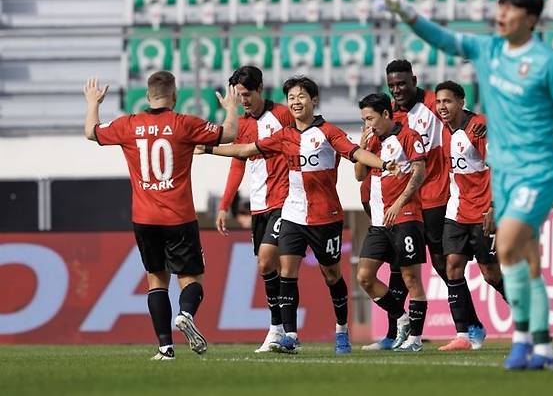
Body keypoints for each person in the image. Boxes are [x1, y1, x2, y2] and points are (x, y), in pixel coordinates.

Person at [375, 0, 553, 369]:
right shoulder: (489, 50)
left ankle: (520, 342)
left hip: (537, 172)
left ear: (530, 19)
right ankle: (544, 347)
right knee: (526, 261)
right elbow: (443, 38)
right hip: (504, 178)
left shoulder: (549, 63)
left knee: (510, 247)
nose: (501, 14)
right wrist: (404, 11)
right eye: (500, 7)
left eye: (511, 9)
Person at [201, 76, 398, 355]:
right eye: (291, 97)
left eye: (301, 96)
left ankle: (342, 330)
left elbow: (356, 154)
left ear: (314, 100)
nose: (295, 102)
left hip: (325, 216)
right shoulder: (284, 135)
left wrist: (384, 163)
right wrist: (208, 148)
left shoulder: (329, 132)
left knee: (332, 275)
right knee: (286, 271)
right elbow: (245, 150)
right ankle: (290, 335)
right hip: (293, 213)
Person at [83, 72, 238, 360]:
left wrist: (93, 102)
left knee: (156, 280)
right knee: (192, 278)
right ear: (175, 95)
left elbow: (92, 132)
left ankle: (165, 348)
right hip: (178, 217)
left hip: (144, 219)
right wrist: (230, 108)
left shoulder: (129, 124)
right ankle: (186, 314)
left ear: (147, 95)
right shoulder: (184, 124)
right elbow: (228, 134)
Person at [363, 59, 486, 351]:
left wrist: (479, 125)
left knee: (443, 264)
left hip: (433, 195)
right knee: (398, 267)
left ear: (414, 80)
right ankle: (395, 334)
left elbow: (456, 112)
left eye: (402, 83)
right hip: (398, 202)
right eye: (392, 85)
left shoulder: (430, 102)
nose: (398, 90)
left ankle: (471, 325)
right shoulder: (387, 114)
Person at [214, 66, 294, 353]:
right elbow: (238, 163)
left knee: (267, 261)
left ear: (260, 88)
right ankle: (282, 330)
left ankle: (281, 329)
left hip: (286, 200)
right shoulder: (243, 125)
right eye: (238, 96)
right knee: (269, 268)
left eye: (246, 94)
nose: (243, 101)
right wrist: (225, 205)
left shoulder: (283, 115)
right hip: (259, 204)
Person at [434, 80, 506, 351]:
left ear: (461, 102)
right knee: (451, 266)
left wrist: (495, 207)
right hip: (457, 210)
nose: (442, 107)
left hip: (484, 211)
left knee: (490, 273)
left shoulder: (478, 127)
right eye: (439, 102)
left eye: (448, 101)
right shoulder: (443, 130)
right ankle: (464, 334)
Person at [355, 93, 428, 352]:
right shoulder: (372, 141)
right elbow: (358, 175)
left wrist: (398, 203)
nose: (368, 124)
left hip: (406, 216)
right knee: (364, 276)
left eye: (371, 118)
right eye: (364, 119)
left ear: (386, 114)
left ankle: (415, 341)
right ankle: (402, 318)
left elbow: (420, 172)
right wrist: (362, 148)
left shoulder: (409, 136)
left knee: (411, 278)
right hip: (378, 222)